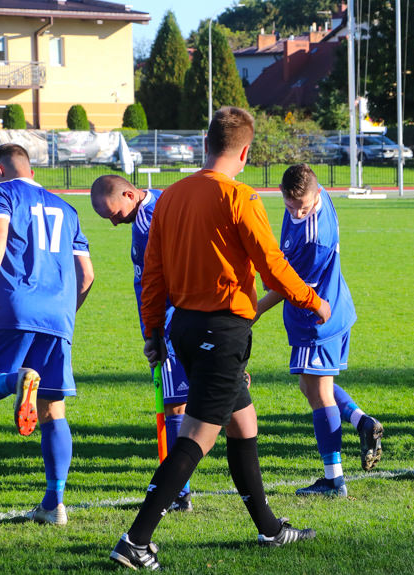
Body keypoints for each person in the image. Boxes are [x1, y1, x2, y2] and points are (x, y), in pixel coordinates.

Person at [109, 107, 331, 571]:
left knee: (242, 424)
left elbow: (153, 275)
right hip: (221, 330)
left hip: (185, 328)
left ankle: (269, 528)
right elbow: (272, 266)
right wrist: (313, 300)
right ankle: (136, 539)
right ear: (245, 151)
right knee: (196, 436)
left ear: (206, 143)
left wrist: (154, 332)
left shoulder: (168, 198)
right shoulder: (241, 198)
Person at [0, 143, 94, 525]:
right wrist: (65, 315)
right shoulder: (67, 209)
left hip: (13, 307)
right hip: (57, 317)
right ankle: (55, 504)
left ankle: (15, 380)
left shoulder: (1, 192)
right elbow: (87, 276)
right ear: (31, 169)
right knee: (54, 409)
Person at [255, 164, 383, 498]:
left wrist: (252, 311)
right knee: (310, 385)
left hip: (317, 318)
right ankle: (362, 422)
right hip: (332, 308)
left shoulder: (316, 239)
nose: (297, 211)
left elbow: (292, 288)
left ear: (316, 196)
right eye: (290, 205)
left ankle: (334, 480)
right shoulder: (315, 192)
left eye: (303, 206)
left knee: (319, 394)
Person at [90, 174, 193, 512]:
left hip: (171, 325)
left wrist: (155, 335)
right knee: (183, 402)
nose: (114, 222)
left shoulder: (152, 219)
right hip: (174, 323)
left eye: (115, 213)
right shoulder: (156, 207)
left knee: (175, 404)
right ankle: (176, 485)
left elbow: (158, 285)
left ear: (129, 194)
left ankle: (178, 490)